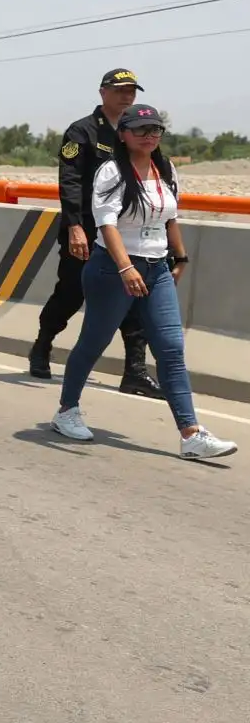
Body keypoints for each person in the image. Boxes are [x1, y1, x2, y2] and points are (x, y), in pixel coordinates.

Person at [51, 104, 236, 460]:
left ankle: (191, 433)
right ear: (123, 135)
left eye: (156, 130)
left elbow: (170, 218)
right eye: (141, 130)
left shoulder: (165, 170)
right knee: (94, 341)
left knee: (171, 349)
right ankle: (66, 411)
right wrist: (125, 268)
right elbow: (106, 224)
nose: (150, 135)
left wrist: (179, 258)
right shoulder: (111, 172)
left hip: (156, 268)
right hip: (112, 268)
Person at [30, 68, 158, 393]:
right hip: (86, 230)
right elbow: (69, 180)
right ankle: (43, 344)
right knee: (71, 293)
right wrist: (74, 226)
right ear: (103, 92)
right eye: (119, 90)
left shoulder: (136, 132)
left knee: (135, 297)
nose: (126, 96)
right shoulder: (82, 132)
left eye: (131, 91)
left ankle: (134, 371)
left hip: (127, 231)